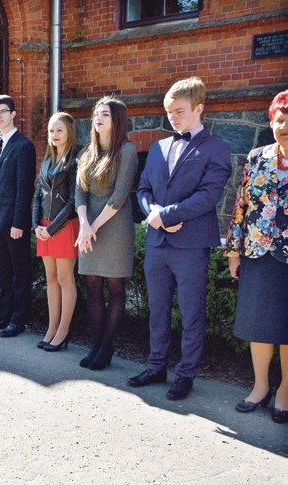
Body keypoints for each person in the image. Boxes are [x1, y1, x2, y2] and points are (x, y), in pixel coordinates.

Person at [128, 78, 233, 400]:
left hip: (191, 246)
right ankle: (156, 365)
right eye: (169, 112)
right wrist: (154, 213)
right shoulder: (158, 147)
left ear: (199, 108)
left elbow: (209, 194)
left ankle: (186, 374)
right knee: (157, 311)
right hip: (158, 245)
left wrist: (169, 215)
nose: (172, 117)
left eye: (179, 111)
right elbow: (142, 189)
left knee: (191, 313)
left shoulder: (217, 148)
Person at [225, 90, 288, 420]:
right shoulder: (257, 156)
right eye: (280, 120)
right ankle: (261, 387)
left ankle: (285, 392)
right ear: (271, 122)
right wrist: (234, 252)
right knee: (259, 324)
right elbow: (241, 206)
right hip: (258, 252)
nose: (285, 126)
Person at [74, 97, 139, 370]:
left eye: (105, 115)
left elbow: (120, 196)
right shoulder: (87, 152)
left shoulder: (127, 151)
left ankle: (107, 347)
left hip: (114, 226)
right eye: (96, 114)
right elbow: (79, 191)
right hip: (88, 226)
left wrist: (94, 226)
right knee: (91, 286)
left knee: (114, 287)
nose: (98, 119)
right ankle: (95, 344)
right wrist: (84, 223)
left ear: (117, 120)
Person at [0, 95, 37, 337]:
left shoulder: (24, 146)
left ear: (13, 114)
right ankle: (2, 316)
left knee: (20, 273)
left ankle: (18, 320)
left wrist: (18, 223)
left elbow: (25, 188)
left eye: (3, 111)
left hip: (14, 224)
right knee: (3, 273)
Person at [33, 112, 80, 351]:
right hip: (44, 226)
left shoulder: (75, 161)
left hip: (64, 226)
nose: (54, 135)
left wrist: (51, 229)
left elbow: (73, 202)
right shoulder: (47, 161)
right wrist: (36, 226)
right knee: (50, 278)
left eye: (59, 130)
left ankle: (63, 332)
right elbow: (37, 196)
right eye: (51, 131)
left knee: (64, 278)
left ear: (69, 132)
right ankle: (51, 329)